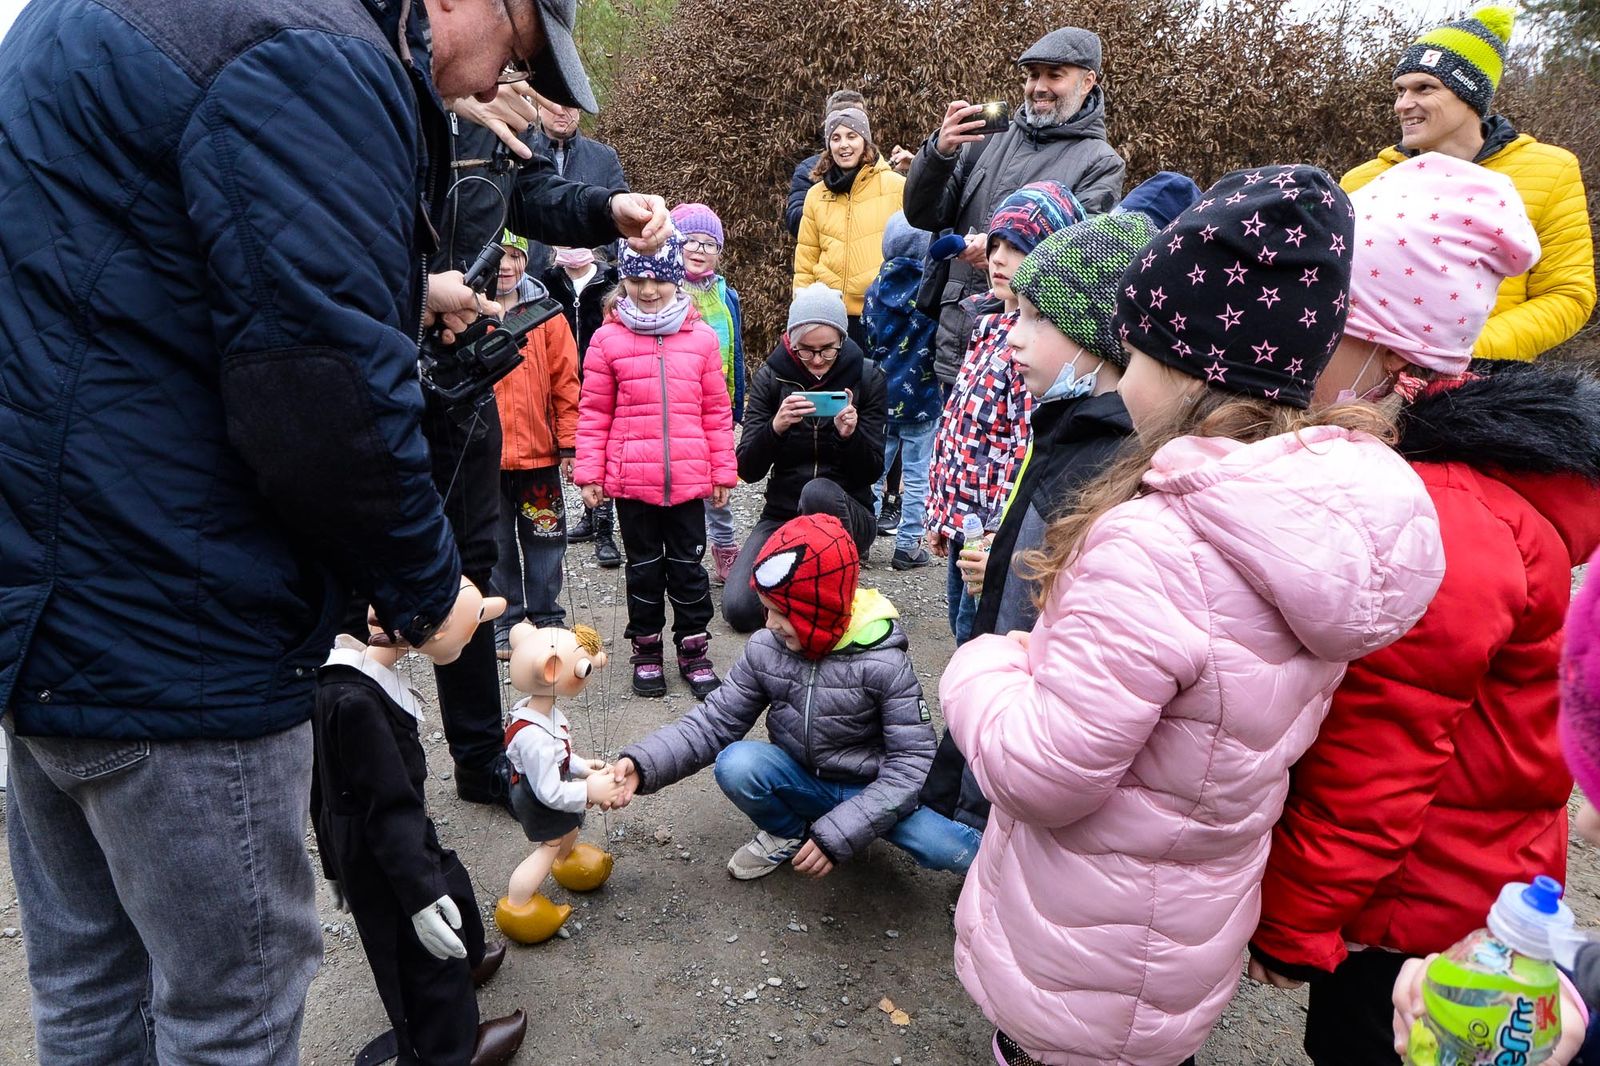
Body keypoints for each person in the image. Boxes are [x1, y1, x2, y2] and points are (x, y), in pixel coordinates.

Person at [0, 0, 608, 1056]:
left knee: (92, 995)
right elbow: (318, 389)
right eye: (506, 51)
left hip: (47, 610)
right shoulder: (308, 47)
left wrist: (394, 288)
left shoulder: (127, 17)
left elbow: (131, 279)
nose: (479, 88)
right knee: (230, 1014)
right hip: (178, 636)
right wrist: (432, 595)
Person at [937, 165, 1446, 1066]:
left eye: (1131, 357)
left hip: (1080, 946)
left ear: (1187, 371)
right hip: (1182, 939)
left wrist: (983, 665)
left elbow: (1043, 772)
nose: (1122, 380)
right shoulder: (1315, 525)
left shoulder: (1158, 546)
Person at [1247, 154, 1600, 1065]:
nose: (1291, 354)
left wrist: (1293, 921)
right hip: (1448, 880)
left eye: (1321, 333)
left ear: (1389, 358)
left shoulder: (1441, 520)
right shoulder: (1445, 480)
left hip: (1425, 917)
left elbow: (1382, 751)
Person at [918, 206, 1162, 842]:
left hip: (1037, 747)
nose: (1012, 338)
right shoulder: (1065, 422)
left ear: (1097, 333)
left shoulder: (1111, 459)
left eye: (1037, 318)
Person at [611, 514, 974, 878]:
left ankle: (1002, 874)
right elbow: (712, 722)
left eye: (781, 613)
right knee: (737, 764)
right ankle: (788, 832)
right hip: (801, 778)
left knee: (948, 846)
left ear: (819, 612)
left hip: (869, 790)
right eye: (766, 609)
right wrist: (643, 765)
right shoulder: (766, 649)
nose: (768, 623)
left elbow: (911, 764)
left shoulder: (884, 663)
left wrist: (841, 832)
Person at [1342, 5, 1595, 361]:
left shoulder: (1549, 170)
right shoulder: (1365, 180)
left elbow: (1568, 295)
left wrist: (1460, 352)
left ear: (1470, 96)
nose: (1403, 104)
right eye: (1400, 90)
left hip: (1486, 382)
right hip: (1369, 374)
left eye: (1424, 88)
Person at [904, 26, 1126, 389]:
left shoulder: (1101, 162)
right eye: (1032, 74)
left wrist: (1003, 250)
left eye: (1054, 75)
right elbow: (923, 213)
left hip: (1031, 355)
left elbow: (1081, 261)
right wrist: (938, 154)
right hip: (958, 337)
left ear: (1087, 82)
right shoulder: (987, 136)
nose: (1039, 86)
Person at [574, 237, 736, 699]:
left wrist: (723, 471)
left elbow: (716, 412)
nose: (648, 290)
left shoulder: (701, 337)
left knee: (688, 568)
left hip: (688, 481)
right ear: (623, 279)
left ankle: (693, 647)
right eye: (637, 279)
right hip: (632, 482)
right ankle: (646, 650)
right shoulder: (607, 339)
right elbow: (595, 410)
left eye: (659, 279)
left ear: (676, 278)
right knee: (643, 570)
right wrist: (591, 472)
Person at [925, 181, 1085, 645]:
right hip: (966, 525)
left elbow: (1023, 446)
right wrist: (944, 514)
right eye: (995, 244)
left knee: (980, 635)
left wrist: (997, 534)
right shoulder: (989, 325)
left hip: (996, 535)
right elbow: (958, 427)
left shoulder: (1039, 349)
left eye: (1016, 248)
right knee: (962, 623)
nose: (997, 258)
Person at [723, 284, 887, 633]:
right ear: (791, 341)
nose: (816, 360)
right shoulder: (771, 377)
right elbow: (747, 469)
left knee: (818, 491)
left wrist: (849, 437)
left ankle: (832, 575)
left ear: (842, 339)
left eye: (828, 351)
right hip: (783, 513)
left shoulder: (868, 377)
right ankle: (804, 586)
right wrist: (775, 428)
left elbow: (872, 470)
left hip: (848, 510)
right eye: (806, 351)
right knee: (739, 609)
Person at [490, 237, 581, 653]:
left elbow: (566, 384)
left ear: (526, 259)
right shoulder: (468, 315)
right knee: (496, 545)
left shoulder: (547, 315)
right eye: (497, 257)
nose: (506, 266)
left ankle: (546, 615)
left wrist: (569, 445)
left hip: (539, 456)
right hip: (486, 460)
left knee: (546, 539)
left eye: (514, 255)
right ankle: (505, 620)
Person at [672, 202, 748, 586]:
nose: (699, 250)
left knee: (719, 479)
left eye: (709, 243)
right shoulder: (665, 291)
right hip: (678, 403)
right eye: (690, 241)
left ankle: (725, 546)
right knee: (684, 480)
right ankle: (684, 552)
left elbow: (736, 349)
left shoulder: (725, 294)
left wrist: (737, 404)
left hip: (715, 403)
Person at [863, 212, 941, 571]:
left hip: (881, 394)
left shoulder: (875, 289)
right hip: (922, 395)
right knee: (917, 472)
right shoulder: (931, 288)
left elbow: (867, 334)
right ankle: (908, 546)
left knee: (873, 471)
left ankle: (861, 542)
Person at [793, 108, 906, 351]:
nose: (844, 145)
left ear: (864, 140)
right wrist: (802, 305)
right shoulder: (815, 195)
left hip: (880, 313)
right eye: (836, 138)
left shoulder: (896, 187)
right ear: (828, 145)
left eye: (851, 136)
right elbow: (806, 257)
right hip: (829, 317)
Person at [545, 245, 623, 568]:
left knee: (602, 447)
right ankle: (590, 515)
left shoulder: (611, 278)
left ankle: (604, 526)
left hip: (602, 374)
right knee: (575, 447)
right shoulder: (548, 281)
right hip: (564, 375)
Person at [525, 97, 629, 269]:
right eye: (554, 105)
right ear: (540, 107)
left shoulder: (604, 158)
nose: (560, 112)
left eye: (569, 107)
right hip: (532, 277)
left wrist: (592, 253)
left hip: (591, 281)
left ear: (579, 112)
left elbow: (620, 224)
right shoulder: (522, 151)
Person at [787, 90, 867, 238]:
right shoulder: (810, 171)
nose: (848, 123)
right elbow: (795, 221)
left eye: (857, 117)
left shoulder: (880, 170)